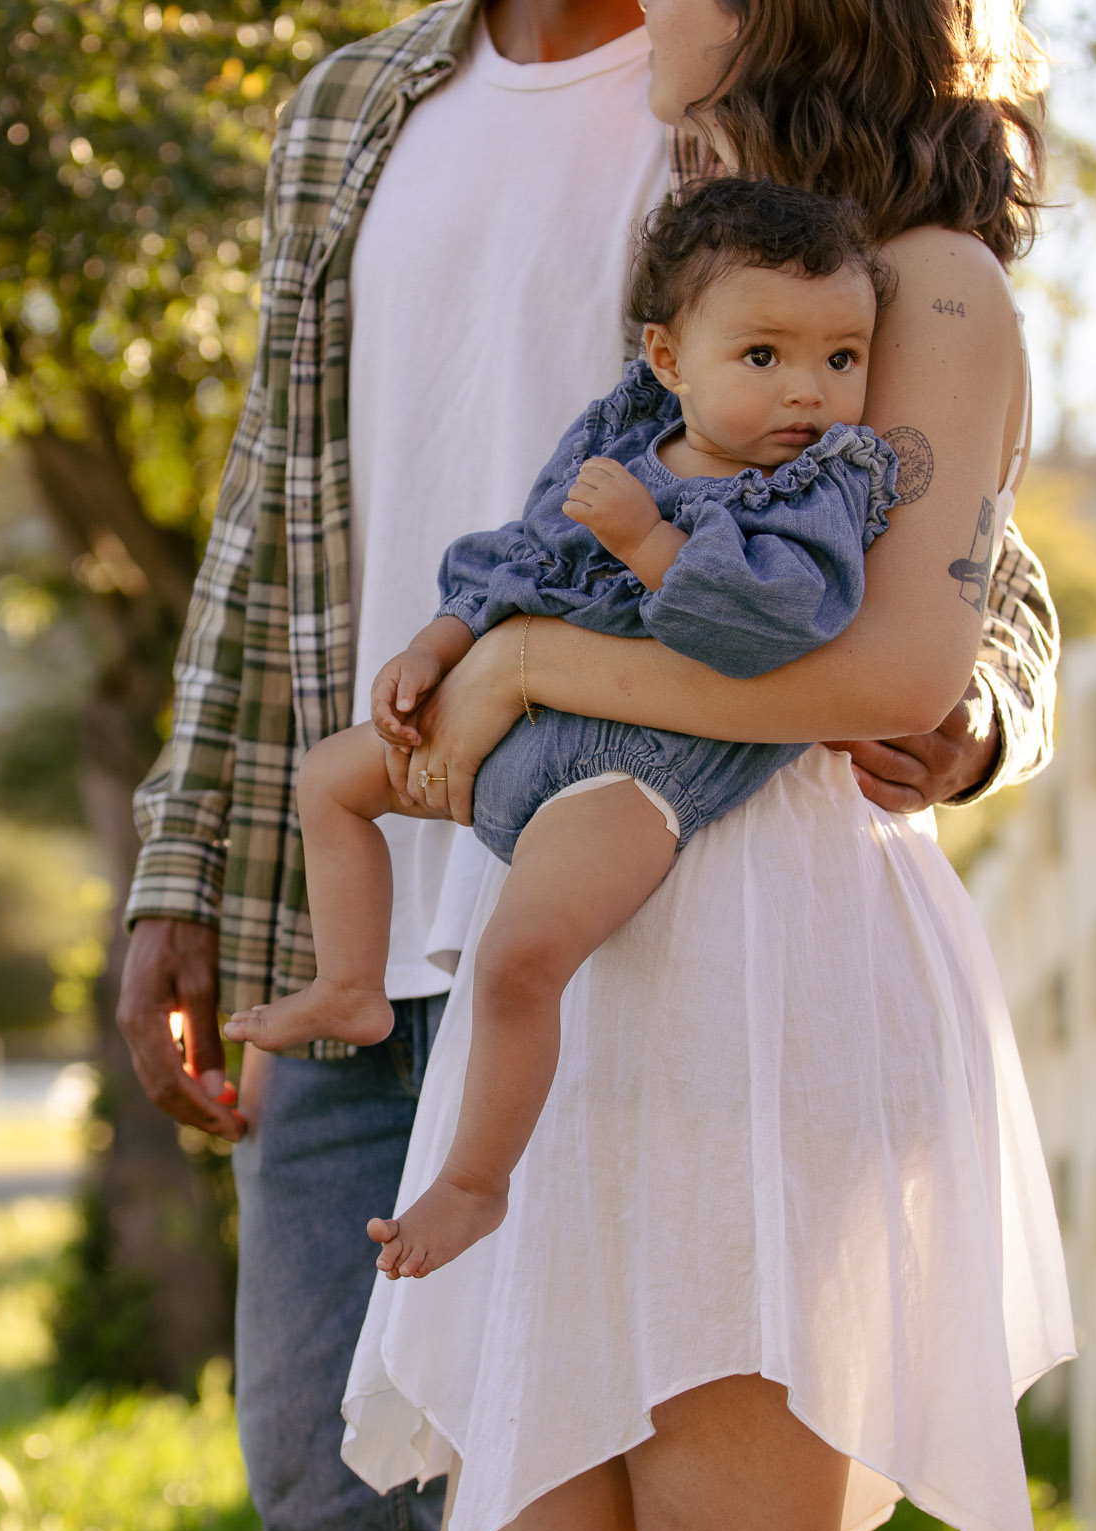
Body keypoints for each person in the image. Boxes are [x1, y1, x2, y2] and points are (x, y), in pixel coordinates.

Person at [111, 2, 1096, 1531]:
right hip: (502, 900)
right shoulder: (433, 132)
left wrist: (540, 671)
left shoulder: (853, 262)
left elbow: (936, 601)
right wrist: (206, 845)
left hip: (730, 952)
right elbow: (293, 507)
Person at [340, 0, 1096, 1531]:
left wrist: (508, 683)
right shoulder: (722, 271)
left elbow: (893, 669)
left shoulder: (922, 286)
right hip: (619, 966)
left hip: (774, 974)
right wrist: (492, 660)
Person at [225, 178, 901, 1280]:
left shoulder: (822, 487)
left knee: (522, 953)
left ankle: (474, 1181)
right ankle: (351, 984)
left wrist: (650, 547)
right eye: (764, 356)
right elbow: (522, 554)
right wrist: (437, 647)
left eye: (844, 357)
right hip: (513, 714)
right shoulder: (622, 434)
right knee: (333, 777)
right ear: (669, 358)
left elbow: (781, 626)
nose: (811, 393)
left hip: (638, 761)